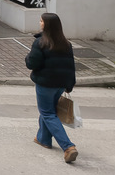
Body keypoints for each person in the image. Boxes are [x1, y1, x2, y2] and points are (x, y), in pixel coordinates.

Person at [25, 12, 78, 163]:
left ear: (46, 25)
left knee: (47, 113)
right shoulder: (66, 44)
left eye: (41, 21)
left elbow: (32, 63)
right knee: (49, 111)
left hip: (45, 83)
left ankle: (68, 146)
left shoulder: (41, 43)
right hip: (61, 84)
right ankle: (43, 139)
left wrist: (27, 58)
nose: (40, 23)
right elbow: (71, 66)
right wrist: (70, 84)